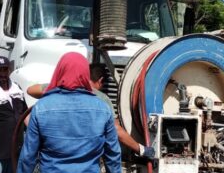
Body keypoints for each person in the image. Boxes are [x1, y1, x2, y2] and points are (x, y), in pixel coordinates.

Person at [26, 63, 155, 158]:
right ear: (101, 81)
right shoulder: (102, 98)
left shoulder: (61, 89)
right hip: (85, 158)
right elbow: (116, 130)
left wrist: (57, 86)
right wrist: (140, 149)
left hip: (56, 154)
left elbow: (30, 90)